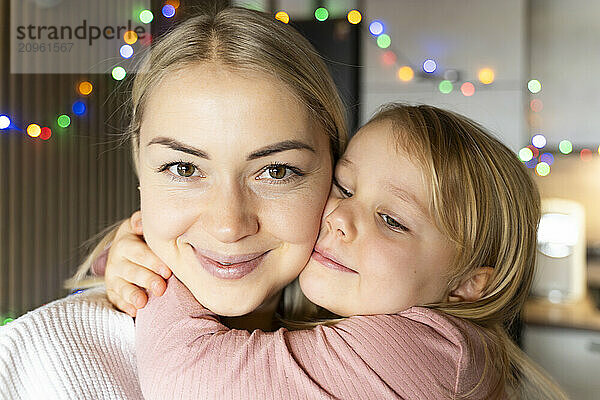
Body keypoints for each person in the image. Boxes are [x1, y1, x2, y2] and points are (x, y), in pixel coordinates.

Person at [99, 104, 569, 399]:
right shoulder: (370, 308)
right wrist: (122, 262)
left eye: (391, 221)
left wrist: (160, 260)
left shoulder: (430, 352)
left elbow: (187, 381)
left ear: (467, 284)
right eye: (344, 187)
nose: (339, 218)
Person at [0, 6, 346, 399]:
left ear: (336, 176)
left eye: (277, 172)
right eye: (184, 168)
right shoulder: (42, 363)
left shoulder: (393, 351)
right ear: (141, 172)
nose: (228, 225)